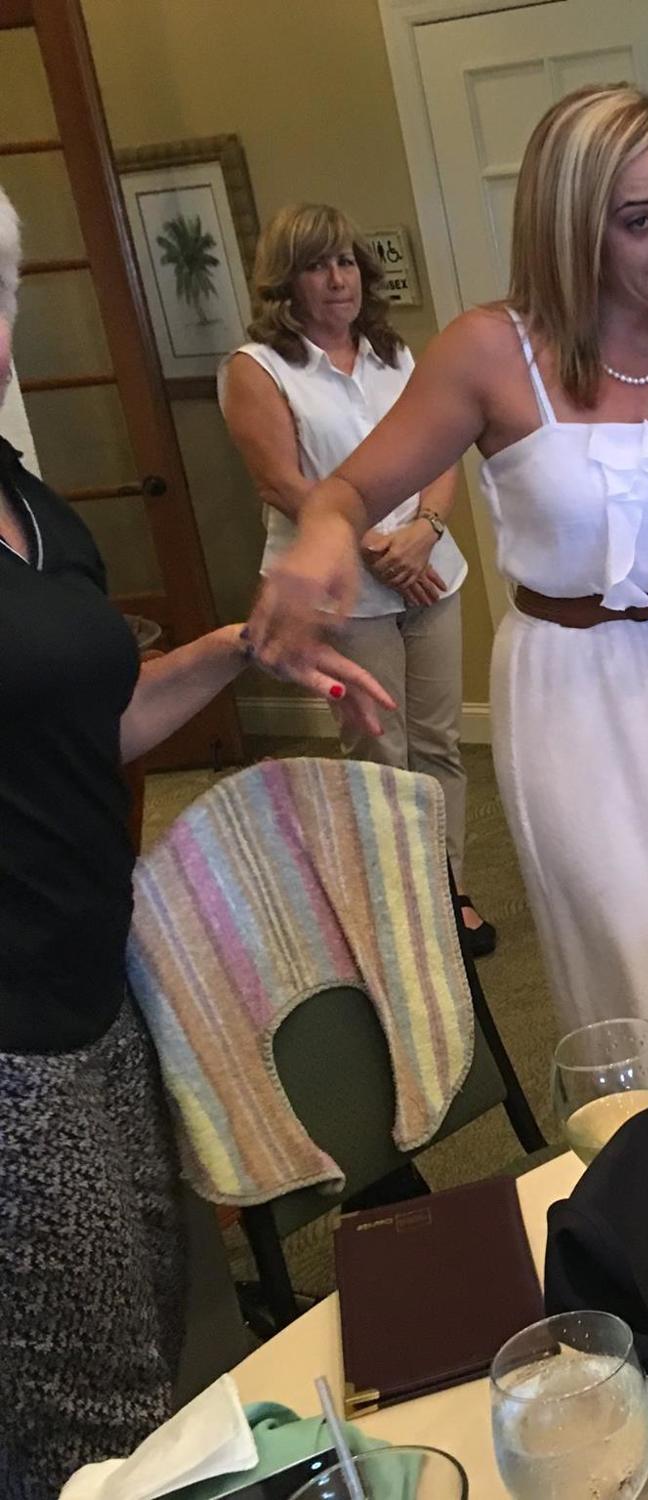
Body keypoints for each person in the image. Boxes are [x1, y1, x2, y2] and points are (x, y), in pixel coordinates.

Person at [247, 87, 648, 1065]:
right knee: (639, 963)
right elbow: (344, 491)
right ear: (566, 225)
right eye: (636, 221)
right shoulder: (489, 349)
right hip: (574, 694)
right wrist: (317, 541)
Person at [0, 185, 391, 1490]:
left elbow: (91, 724)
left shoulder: (32, 511)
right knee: (82, 1400)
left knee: (159, 1322)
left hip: (99, 979)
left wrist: (239, 646)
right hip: (10, 1042)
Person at [220, 203, 495, 956]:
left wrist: (426, 532)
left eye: (345, 261)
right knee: (381, 753)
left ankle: (450, 890)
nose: (337, 279)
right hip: (344, 590)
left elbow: (442, 452)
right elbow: (281, 482)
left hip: (429, 574)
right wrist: (376, 547)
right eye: (316, 265)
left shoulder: (393, 354)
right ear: (287, 282)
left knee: (439, 746)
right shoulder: (259, 369)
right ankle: (399, 911)